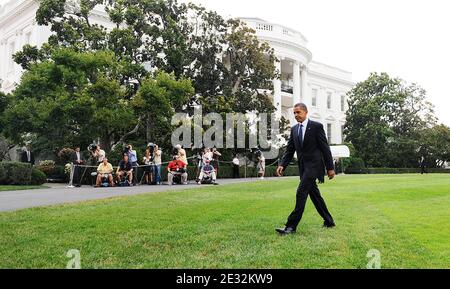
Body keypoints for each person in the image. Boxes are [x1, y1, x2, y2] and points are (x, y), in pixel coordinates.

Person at [275, 103, 336, 235]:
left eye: (298, 112)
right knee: (315, 196)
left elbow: (325, 148)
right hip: (303, 168)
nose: (296, 115)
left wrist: (330, 168)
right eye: (294, 113)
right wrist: (282, 165)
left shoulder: (316, 127)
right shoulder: (294, 129)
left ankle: (291, 226)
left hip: (314, 166)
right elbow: (290, 149)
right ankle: (329, 221)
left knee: (301, 192)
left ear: (305, 112)